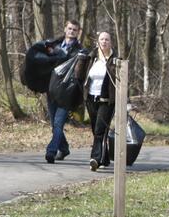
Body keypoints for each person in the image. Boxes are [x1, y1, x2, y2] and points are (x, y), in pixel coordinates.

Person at [44, 20, 83, 163]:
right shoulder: (54, 46)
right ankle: (64, 148)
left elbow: (80, 74)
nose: (71, 31)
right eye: (70, 28)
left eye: (75, 29)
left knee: (58, 124)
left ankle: (51, 151)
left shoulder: (80, 51)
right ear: (65, 29)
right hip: (52, 90)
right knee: (54, 125)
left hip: (67, 93)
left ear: (78, 32)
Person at [81, 31, 117, 171]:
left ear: (110, 42)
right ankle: (105, 158)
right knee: (96, 130)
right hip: (91, 98)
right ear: (98, 42)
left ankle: (95, 158)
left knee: (99, 130)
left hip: (107, 100)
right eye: (101, 39)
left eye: (107, 39)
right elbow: (83, 76)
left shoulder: (115, 60)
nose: (104, 42)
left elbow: (120, 81)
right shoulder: (92, 58)